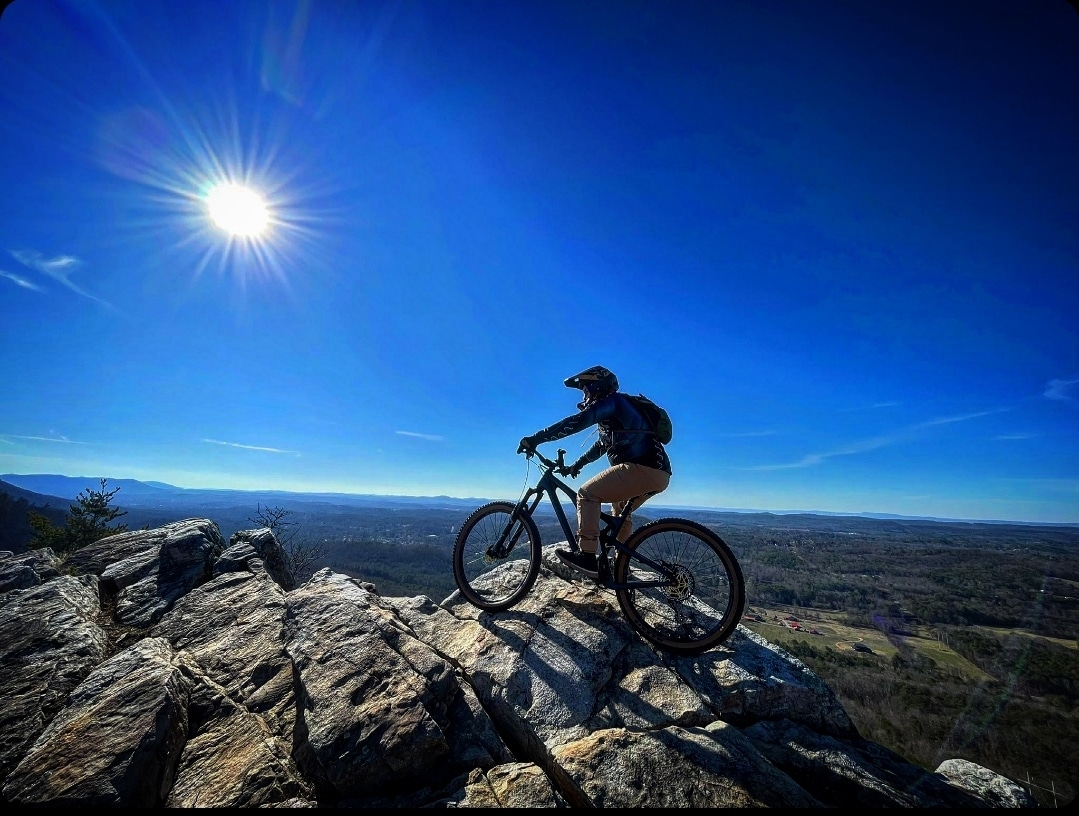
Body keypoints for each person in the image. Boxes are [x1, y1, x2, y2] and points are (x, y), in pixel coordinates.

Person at [517, 365, 672, 578]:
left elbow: (576, 422)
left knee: (587, 494)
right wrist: (577, 465)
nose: (585, 395)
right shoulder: (620, 411)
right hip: (660, 473)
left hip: (640, 468)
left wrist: (536, 439)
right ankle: (621, 566)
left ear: (597, 385)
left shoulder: (614, 402)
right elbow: (601, 446)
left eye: (586, 389)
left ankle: (587, 556)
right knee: (619, 511)